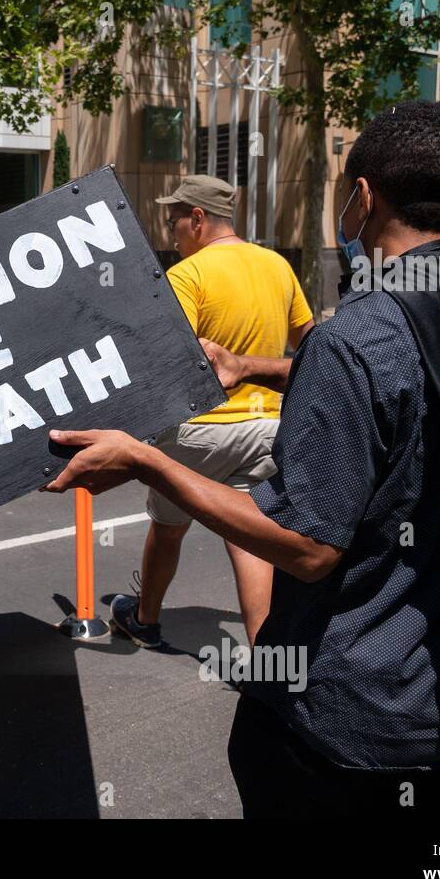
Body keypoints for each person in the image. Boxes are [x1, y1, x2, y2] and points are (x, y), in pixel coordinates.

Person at [44, 101, 440, 817]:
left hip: (351, 726)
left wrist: (147, 462)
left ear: (363, 197)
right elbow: (405, 383)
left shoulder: (362, 332)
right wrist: (251, 362)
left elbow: (309, 548)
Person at [109, 175, 312, 649]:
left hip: (199, 435)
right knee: (250, 537)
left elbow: (167, 362)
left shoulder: (188, 275)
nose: (170, 232)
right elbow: (310, 349)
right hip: (268, 429)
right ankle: (264, 657)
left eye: (173, 221)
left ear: (197, 219)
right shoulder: (278, 266)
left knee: (168, 527)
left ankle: (145, 619)